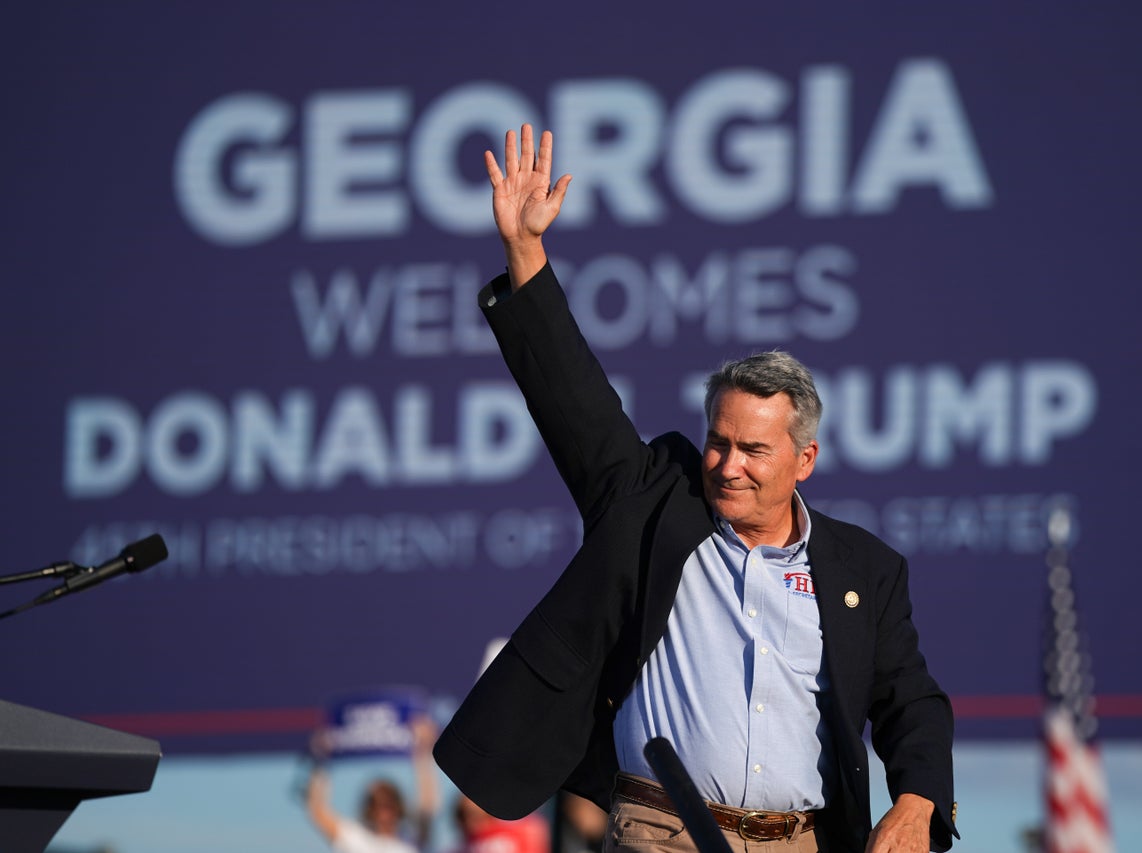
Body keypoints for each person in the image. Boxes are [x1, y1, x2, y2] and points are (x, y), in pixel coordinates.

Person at [433, 125, 959, 853]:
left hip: (805, 841)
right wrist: (526, 252)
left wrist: (918, 798)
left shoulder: (866, 570)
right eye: (719, 440)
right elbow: (571, 398)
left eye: (753, 449)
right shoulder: (652, 502)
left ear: (804, 459)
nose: (727, 464)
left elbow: (912, 700)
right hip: (663, 828)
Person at [306, 717, 440, 853]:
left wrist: (423, 751)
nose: (383, 812)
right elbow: (318, 811)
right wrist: (320, 759)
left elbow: (428, 805)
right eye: (375, 804)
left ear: (398, 807)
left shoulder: (414, 841)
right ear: (369, 809)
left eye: (389, 804)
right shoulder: (358, 840)